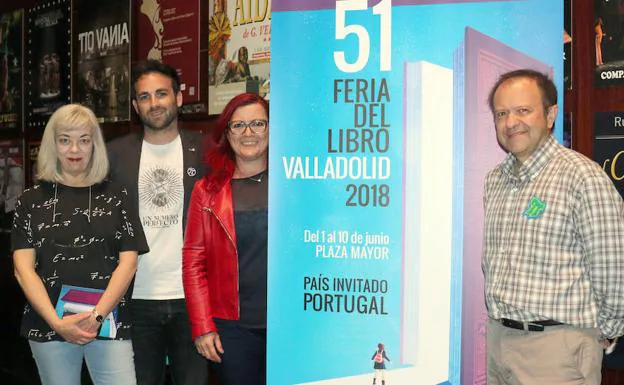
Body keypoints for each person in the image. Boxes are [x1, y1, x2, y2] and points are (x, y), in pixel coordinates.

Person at [483, 69, 624, 385]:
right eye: (501, 113)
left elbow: (614, 268)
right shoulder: (494, 180)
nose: (510, 122)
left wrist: (605, 330)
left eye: (523, 110)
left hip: (557, 351)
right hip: (498, 342)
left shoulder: (581, 177)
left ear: (550, 115)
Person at [11, 103, 148, 385]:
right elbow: (23, 270)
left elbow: (129, 263)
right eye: (65, 140)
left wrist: (96, 317)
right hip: (49, 325)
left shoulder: (118, 196)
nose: (75, 149)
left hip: (108, 323)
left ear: (94, 145)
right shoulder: (29, 201)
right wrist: (58, 323)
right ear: (52, 145)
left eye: (84, 140)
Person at [107, 60, 206, 385]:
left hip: (191, 299)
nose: (154, 103)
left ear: (178, 98)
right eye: (145, 97)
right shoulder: (114, 155)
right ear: (136, 106)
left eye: (161, 94)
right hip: (134, 299)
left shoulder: (205, 150)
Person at [183, 93, 269, 385]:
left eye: (258, 123)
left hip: (292, 322)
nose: (248, 133)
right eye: (238, 126)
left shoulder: (297, 181)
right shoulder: (206, 191)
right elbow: (193, 263)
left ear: (272, 128)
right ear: (226, 134)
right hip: (232, 330)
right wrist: (202, 326)